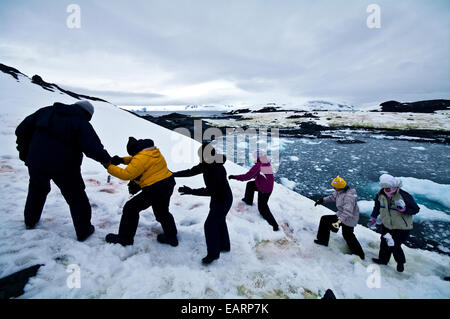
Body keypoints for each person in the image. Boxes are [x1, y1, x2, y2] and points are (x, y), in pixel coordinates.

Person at [15, 100, 111, 241]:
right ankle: (84, 230)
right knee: (76, 197)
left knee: (36, 190)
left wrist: (25, 152)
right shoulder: (80, 122)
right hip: (65, 167)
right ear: (86, 113)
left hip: (36, 162)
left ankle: (30, 221)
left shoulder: (45, 111)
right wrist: (106, 160)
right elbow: (92, 147)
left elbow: (21, 130)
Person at [104, 137, 178, 247]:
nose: (133, 156)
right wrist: (122, 160)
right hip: (167, 184)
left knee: (130, 208)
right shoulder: (152, 151)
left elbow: (126, 174)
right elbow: (136, 159)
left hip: (154, 189)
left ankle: (125, 239)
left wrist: (109, 167)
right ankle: (171, 237)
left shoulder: (140, 159)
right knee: (162, 212)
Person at [171, 142, 233, 265]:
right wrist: (173, 174)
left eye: (200, 156)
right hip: (221, 198)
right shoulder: (208, 164)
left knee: (210, 225)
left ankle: (213, 254)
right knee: (219, 221)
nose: (199, 158)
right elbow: (191, 171)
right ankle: (225, 246)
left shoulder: (215, 169)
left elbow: (210, 191)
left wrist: (191, 191)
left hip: (222, 200)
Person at [370, 174, 420, 272]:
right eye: (384, 188)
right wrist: (374, 216)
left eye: (388, 188)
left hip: (401, 227)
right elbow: (377, 206)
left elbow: (415, 209)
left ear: (393, 187)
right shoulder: (380, 195)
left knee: (394, 244)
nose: (385, 190)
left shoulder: (404, 195)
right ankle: (383, 260)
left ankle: (400, 262)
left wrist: (404, 210)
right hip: (387, 224)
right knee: (384, 242)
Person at [314, 176, 365, 260]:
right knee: (325, 219)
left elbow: (348, 212)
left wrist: (338, 221)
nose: (333, 188)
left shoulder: (348, 197)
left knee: (348, 235)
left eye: (335, 186)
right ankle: (322, 240)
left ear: (340, 186)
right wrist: (322, 200)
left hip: (349, 218)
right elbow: (332, 197)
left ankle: (359, 254)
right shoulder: (339, 191)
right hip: (341, 215)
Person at [228, 150, 279, 231]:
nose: (253, 158)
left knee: (262, 208)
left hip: (264, 190)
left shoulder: (259, 165)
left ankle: (274, 225)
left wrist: (234, 177)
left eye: (254, 157)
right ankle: (248, 200)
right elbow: (259, 174)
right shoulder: (265, 161)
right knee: (250, 185)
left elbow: (247, 176)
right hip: (265, 185)